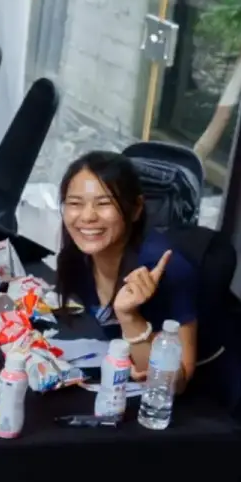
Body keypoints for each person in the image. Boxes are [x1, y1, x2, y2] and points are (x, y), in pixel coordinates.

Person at [55, 151, 200, 390]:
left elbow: (175, 385)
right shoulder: (78, 257)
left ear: (136, 209)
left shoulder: (169, 269)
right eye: (75, 203)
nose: (87, 216)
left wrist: (130, 317)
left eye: (104, 203)